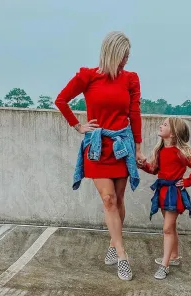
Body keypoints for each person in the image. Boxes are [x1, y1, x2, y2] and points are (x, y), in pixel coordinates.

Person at [55, 31, 146, 281]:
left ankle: (112, 244)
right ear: (112, 52)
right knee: (108, 200)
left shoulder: (131, 79)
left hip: (121, 146)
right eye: (123, 54)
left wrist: (138, 146)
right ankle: (123, 255)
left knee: (118, 198)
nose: (126, 59)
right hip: (96, 148)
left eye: (128, 55)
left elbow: (134, 113)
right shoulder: (88, 75)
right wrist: (78, 125)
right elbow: (61, 100)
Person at [137, 117, 191, 280]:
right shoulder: (160, 151)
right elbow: (154, 170)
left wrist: (187, 181)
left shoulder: (181, 152)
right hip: (162, 191)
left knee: (167, 228)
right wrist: (143, 165)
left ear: (174, 134)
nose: (160, 125)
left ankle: (164, 265)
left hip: (174, 193)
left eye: (165, 125)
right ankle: (173, 256)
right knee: (171, 227)